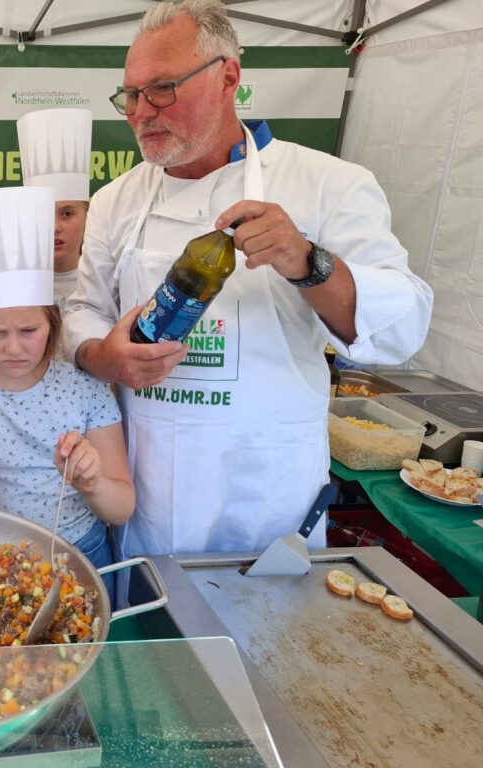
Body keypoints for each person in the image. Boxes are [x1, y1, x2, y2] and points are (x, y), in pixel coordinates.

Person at [63, 0, 433, 557]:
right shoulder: (118, 200)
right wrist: (101, 356)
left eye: (162, 89)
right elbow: (82, 310)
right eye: (131, 96)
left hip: (269, 490)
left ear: (228, 76)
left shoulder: (329, 183)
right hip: (154, 490)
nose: (142, 111)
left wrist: (311, 263)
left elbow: (404, 326)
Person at [0, 187, 134, 596]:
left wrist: (91, 482)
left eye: (29, 331)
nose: (14, 347)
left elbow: (122, 505)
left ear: (52, 325)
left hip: (83, 556)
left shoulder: (86, 389)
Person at [16, 107, 92, 311]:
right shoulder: (13, 281)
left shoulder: (105, 281)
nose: (54, 227)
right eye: (42, 214)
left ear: (88, 216)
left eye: (67, 214)